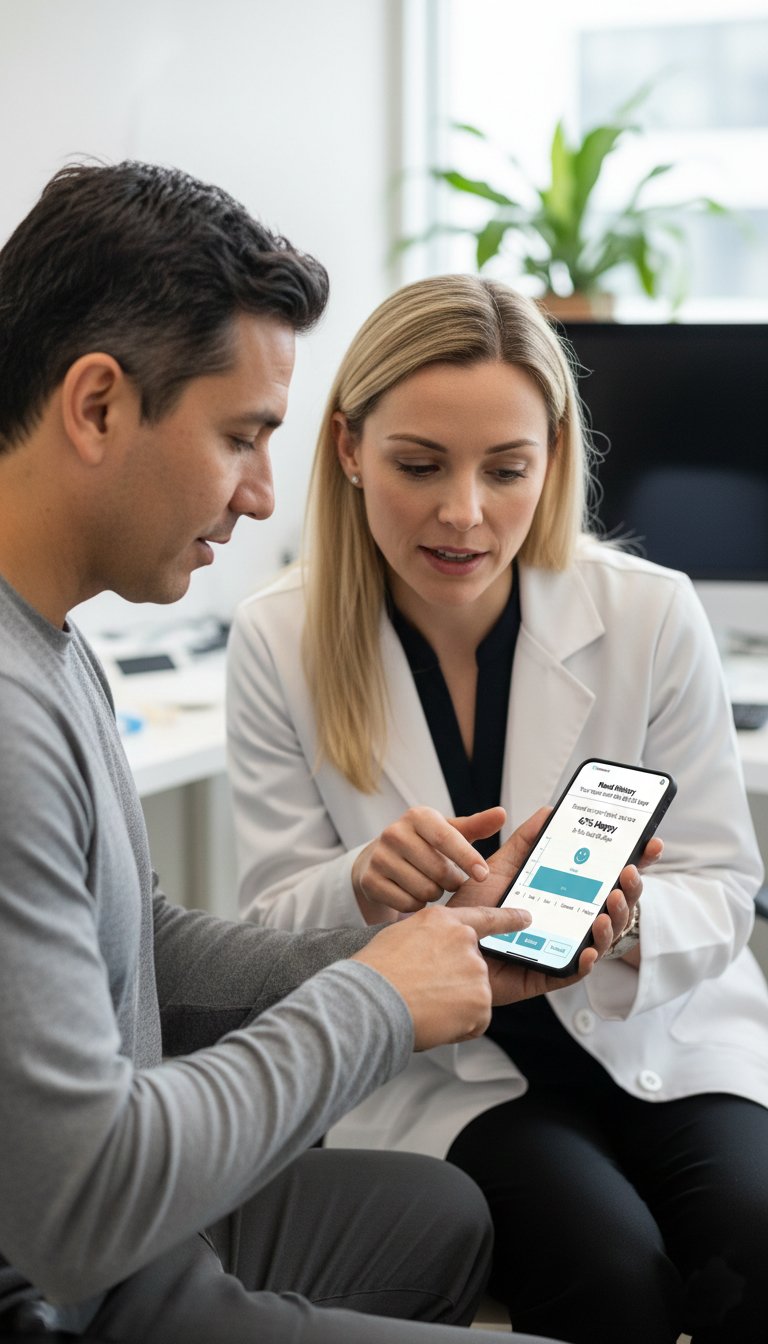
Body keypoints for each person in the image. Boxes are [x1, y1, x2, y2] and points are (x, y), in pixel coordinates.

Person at [0, 164, 630, 1344]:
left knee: (443, 1220)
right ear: (95, 406)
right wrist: (376, 1002)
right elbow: (77, 1208)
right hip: (64, 1277)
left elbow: (147, 950)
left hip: (102, 1224)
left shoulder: (52, 640)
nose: (257, 495)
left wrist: (416, 952)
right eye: (242, 437)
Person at [226, 273, 768, 1344]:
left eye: (507, 469)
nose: (463, 513)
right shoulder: (277, 638)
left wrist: (626, 920)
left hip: (660, 1032)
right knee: (607, 1271)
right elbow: (261, 929)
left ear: (555, 458)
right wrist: (358, 885)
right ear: (347, 449)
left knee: (754, 1241)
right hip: (453, 1072)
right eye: (419, 465)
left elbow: (725, 886)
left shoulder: (650, 614)